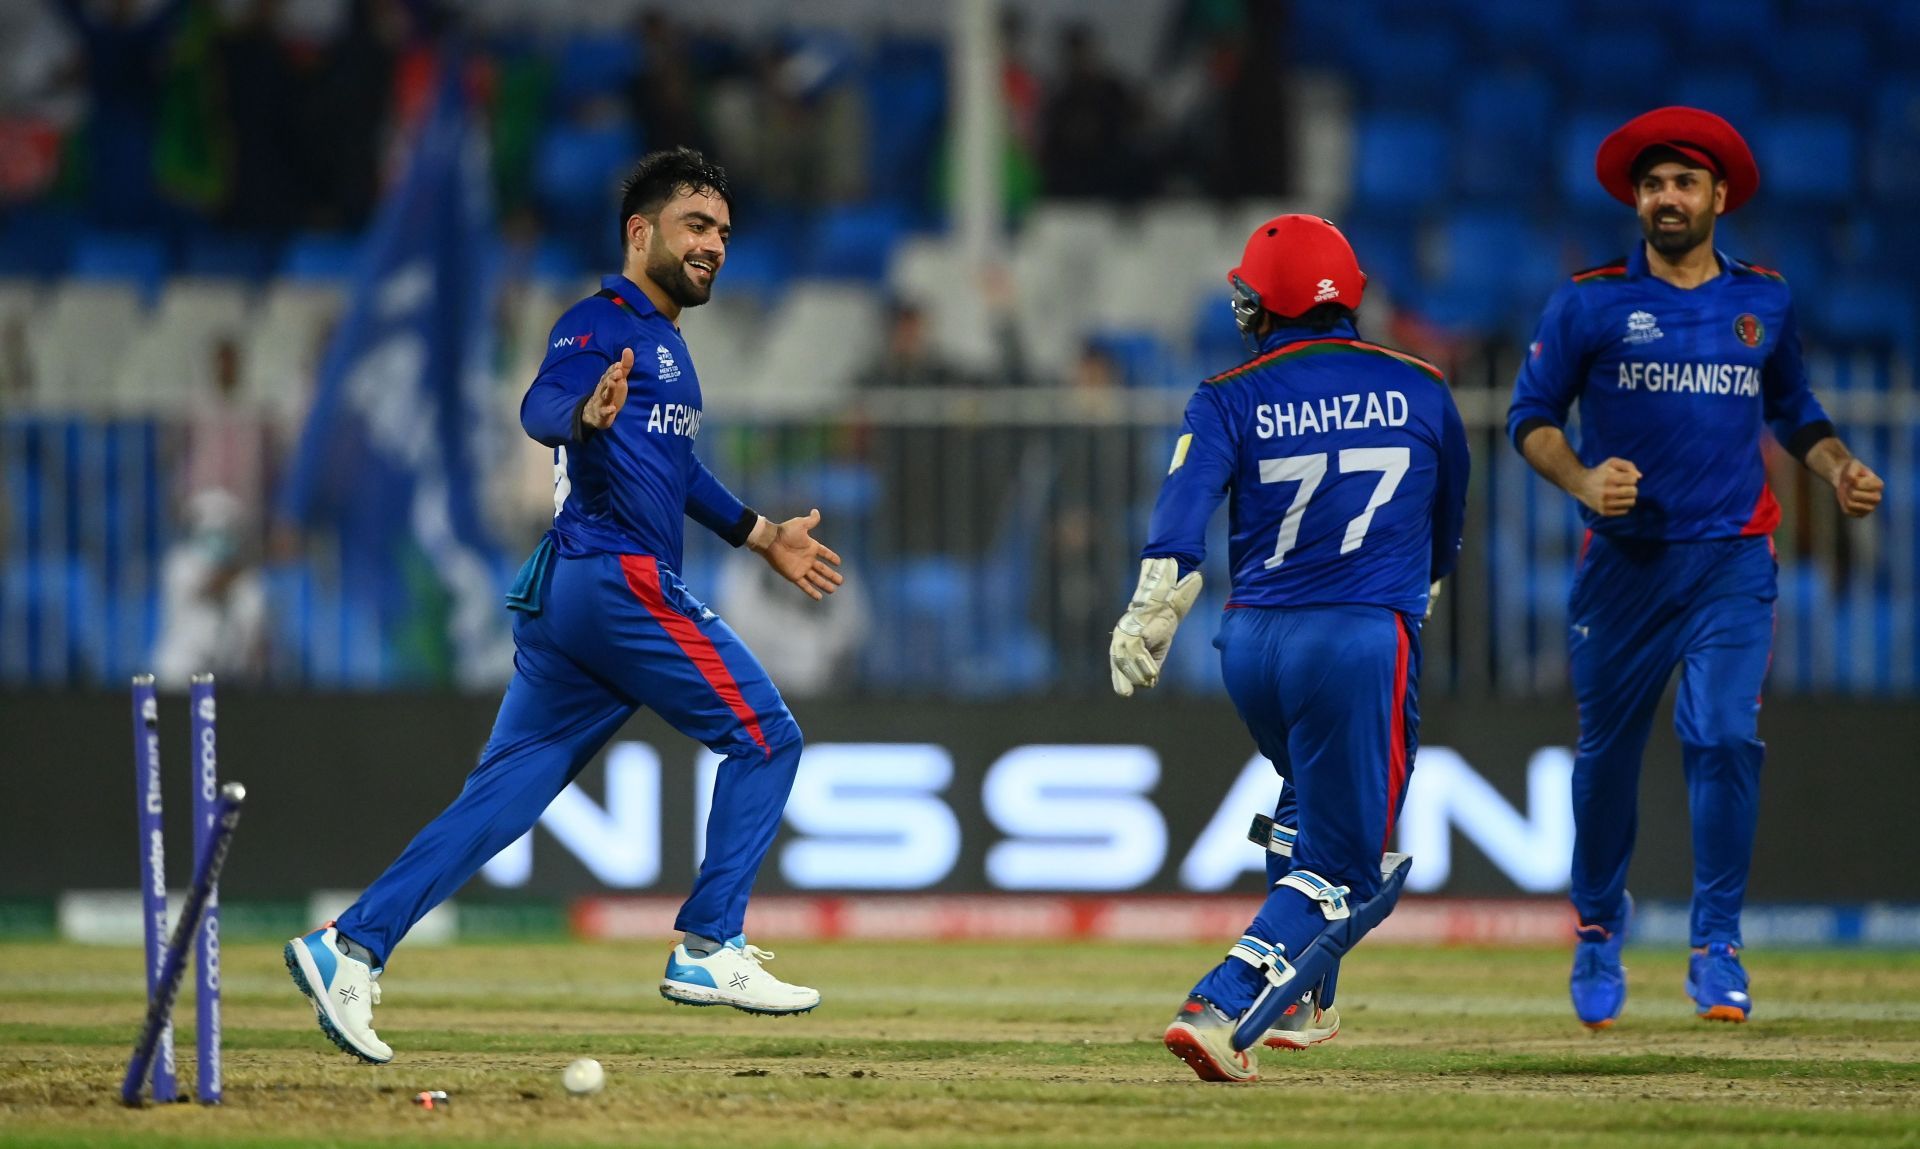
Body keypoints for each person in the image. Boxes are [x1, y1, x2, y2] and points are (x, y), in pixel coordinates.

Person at [285, 148, 845, 1063]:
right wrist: (583, 413)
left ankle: (348, 946)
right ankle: (710, 943)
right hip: (615, 580)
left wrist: (757, 533)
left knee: (504, 796)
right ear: (641, 232)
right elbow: (541, 406)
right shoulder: (601, 322)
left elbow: (676, 468)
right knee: (766, 735)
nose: (715, 246)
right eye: (697, 226)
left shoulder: (665, 343)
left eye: (725, 234)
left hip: (568, 600)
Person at [1507, 107, 1884, 1030]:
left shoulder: (1766, 301)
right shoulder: (1589, 301)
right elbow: (1529, 419)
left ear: (1719, 196)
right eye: (1652, 184)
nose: (1666, 197)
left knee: (1721, 735)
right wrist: (1585, 480)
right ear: (1635, 199)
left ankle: (1717, 941)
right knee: (1605, 761)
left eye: (1683, 183)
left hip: (1732, 563)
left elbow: (1794, 408)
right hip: (1624, 573)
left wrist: (1837, 466)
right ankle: (1598, 926)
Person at [1112, 216, 1468, 1083]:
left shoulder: (1228, 390)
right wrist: (1415, 593)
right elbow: (1448, 527)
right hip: (1357, 638)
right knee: (1352, 866)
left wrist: (1157, 597)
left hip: (1253, 642)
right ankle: (1224, 1001)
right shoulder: (1422, 386)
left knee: (1311, 796)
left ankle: (1307, 1002)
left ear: (1263, 303)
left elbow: (1184, 502)